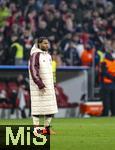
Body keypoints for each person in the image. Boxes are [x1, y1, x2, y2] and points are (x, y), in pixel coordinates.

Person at [28, 37, 58, 135]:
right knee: (37, 108)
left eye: (47, 43)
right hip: (38, 87)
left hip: (48, 86)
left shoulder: (48, 56)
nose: (47, 45)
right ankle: (36, 130)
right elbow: (33, 70)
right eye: (44, 43)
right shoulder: (35, 55)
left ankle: (47, 129)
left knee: (50, 108)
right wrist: (40, 84)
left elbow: (50, 72)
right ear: (39, 44)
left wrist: (53, 83)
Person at [100, 51, 115, 116]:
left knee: (106, 101)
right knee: (113, 101)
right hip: (113, 84)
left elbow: (104, 72)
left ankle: (105, 114)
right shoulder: (114, 62)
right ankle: (113, 114)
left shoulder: (104, 62)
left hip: (106, 83)